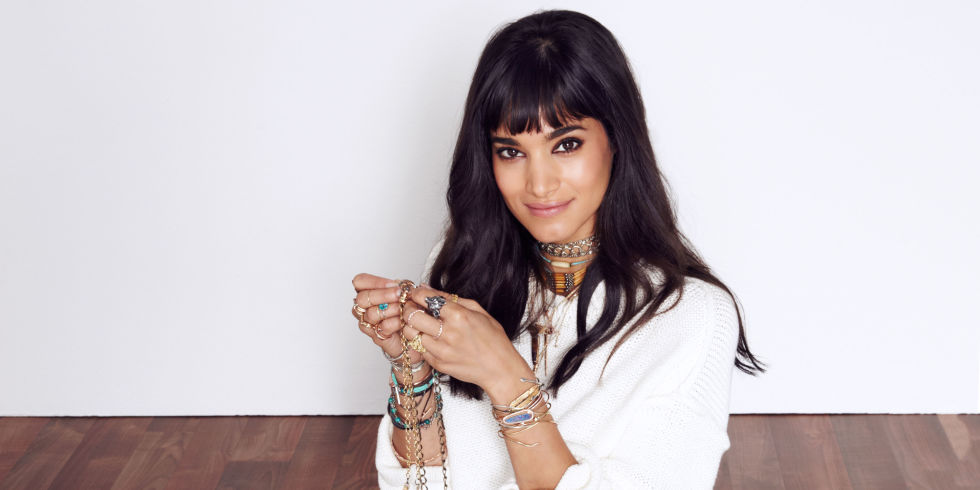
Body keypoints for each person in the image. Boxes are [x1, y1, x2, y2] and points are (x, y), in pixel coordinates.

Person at [350, 9, 766, 490]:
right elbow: (417, 484)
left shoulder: (691, 317)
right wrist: (414, 371)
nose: (539, 184)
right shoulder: (466, 268)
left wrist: (506, 377)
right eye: (511, 151)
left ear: (617, 140)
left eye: (566, 145)